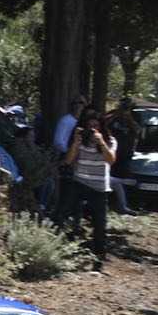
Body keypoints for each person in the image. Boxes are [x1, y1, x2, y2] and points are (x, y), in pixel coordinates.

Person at [59, 110, 117, 269]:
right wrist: (76, 142)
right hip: (80, 182)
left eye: (96, 126)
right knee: (64, 213)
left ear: (101, 127)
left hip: (99, 187)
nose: (92, 129)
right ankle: (60, 246)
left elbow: (111, 160)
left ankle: (99, 256)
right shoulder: (81, 140)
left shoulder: (110, 140)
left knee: (99, 223)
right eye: (89, 126)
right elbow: (68, 160)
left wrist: (101, 142)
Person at [51, 95, 87, 226]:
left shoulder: (83, 122)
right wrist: (69, 154)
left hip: (81, 162)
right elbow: (58, 142)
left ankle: (75, 222)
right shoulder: (66, 121)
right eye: (77, 103)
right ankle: (59, 221)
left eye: (82, 103)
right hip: (66, 160)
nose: (80, 106)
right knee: (66, 191)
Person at [104, 97, 140, 215]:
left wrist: (128, 118)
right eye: (123, 106)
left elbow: (137, 130)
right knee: (109, 179)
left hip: (125, 155)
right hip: (112, 152)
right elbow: (104, 125)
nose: (125, 109)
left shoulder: (135, 117)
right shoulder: (112, 116)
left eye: (127, 107)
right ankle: (109, 203)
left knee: (121, 180)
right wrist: (115, 115)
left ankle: (122, 204)